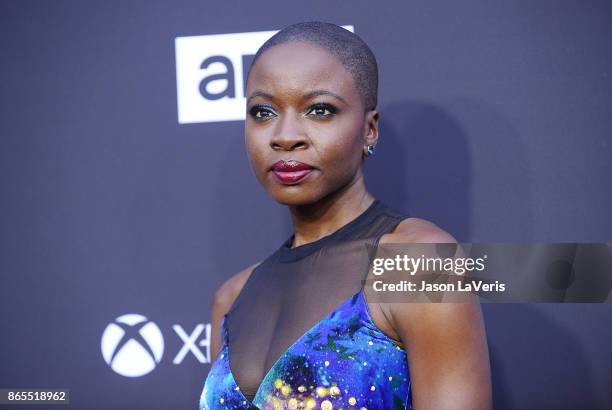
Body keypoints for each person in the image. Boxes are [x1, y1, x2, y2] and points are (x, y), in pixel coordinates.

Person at [199, 21, 491, 410]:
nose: (285, 136)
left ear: (369, 130)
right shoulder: (231, 299)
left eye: (319, 110)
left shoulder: (420, 263)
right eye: (263, 111)